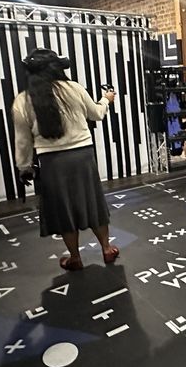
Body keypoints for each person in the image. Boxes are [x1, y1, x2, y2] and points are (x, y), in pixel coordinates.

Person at [11, 48, 119, 271]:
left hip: (52, 163)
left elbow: (23, 140)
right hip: (82, 157)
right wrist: (106, 100)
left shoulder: (23, 100)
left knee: (64, 211)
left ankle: (75, 258)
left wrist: (24, 167)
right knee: (93, 204)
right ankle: (107, 249)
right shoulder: (74, 88)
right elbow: (96, 114)